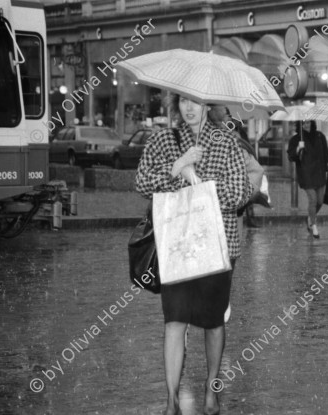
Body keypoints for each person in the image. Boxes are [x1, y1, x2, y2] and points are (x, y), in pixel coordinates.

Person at [136, 95, 252, 415]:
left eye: (196, 102)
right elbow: (143, 182)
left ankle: (211, 389)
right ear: (176, 103)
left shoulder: (225, 141)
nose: (189, 108)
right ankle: (171, 399)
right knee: (174, 320)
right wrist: (177, 166)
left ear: (207, 106)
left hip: (217, 247)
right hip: (176, 247)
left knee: (213, 323)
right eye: (183, 101)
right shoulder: (162, 139)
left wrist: (198, 183)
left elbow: (239, 191)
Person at [287, 121, 328, 238]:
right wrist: (298, 148)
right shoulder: (296, 139)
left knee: (320, 200)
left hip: (320, 172)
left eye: (308, 123)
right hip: (306, 174)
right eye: (303, 124)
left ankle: (310, 217)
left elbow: (326, 153)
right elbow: (291, 157)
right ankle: (313, 225)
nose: (306, 125)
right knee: (312, 199)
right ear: (299, 125)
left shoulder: (320, 136)